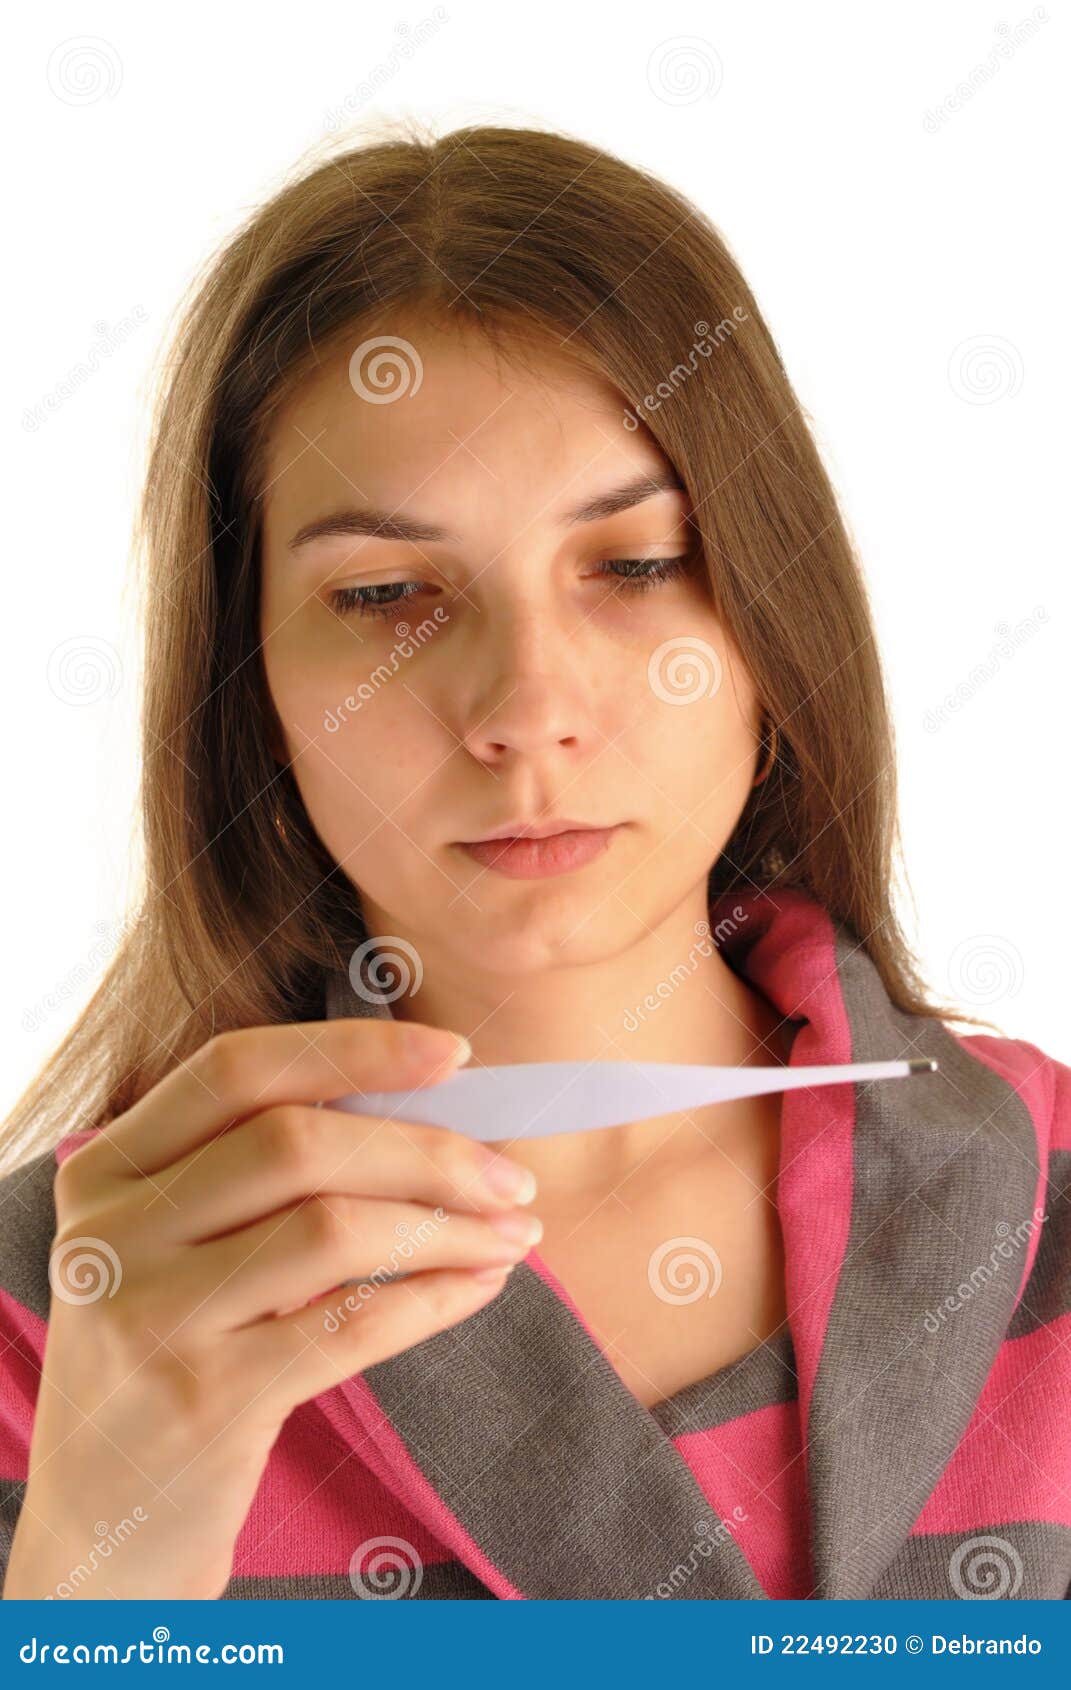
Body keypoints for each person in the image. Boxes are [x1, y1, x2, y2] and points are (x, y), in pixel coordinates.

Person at [2, 120, 1067, 1602]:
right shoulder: (66, 1307)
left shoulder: (1049, 1203)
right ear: (247, 683)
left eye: (632, 566)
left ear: (770, 613)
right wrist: (90, 1567)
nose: (524, 713)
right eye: (384, 595)